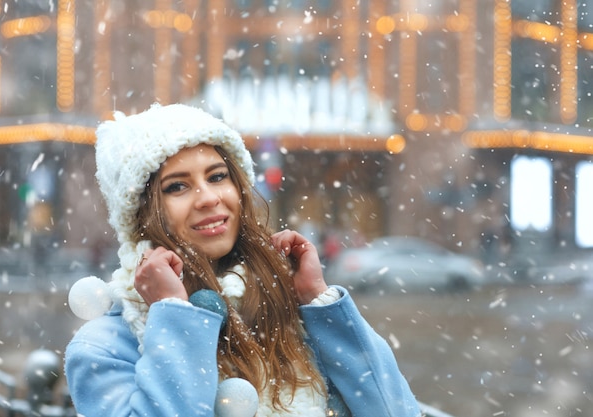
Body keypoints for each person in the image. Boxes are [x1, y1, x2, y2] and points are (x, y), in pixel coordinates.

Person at [64, 103, 421, 417]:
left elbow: (396, 411)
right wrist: (173, 313)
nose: (207, 198)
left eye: (217, 177)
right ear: (141, 215)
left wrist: (317, 300)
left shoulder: (293, 313)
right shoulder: (106, 347)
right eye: (177, 186)